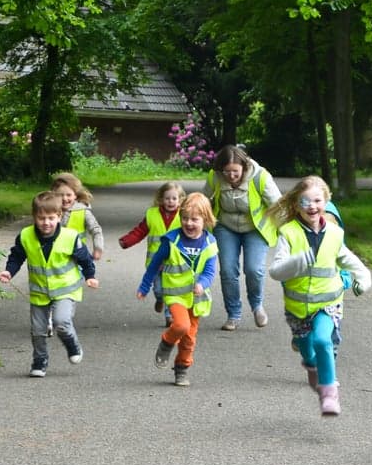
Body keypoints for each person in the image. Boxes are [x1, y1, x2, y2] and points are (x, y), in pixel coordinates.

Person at [267, 177, 371, 416]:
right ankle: (311, 364)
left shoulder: (334, 233)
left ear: (326, 201)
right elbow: (275, 271)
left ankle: (329, 393)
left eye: (317, 200)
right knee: (307, 348)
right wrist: (298, 261)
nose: (312, 206)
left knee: (324, 340)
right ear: (296, 204)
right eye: (306, 201)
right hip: (298, 308)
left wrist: (363, 278)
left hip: (328, 303)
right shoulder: (289, 233)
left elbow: (349, 260)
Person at [0, 191, 99, 377]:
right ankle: (39, 361)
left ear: (59, 216)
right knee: (37, 330)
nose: (46, 223)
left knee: (61, 322)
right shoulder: (26, 236)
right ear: (34, 217)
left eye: (51, 218)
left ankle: (71, 343)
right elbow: (16, 257)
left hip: (65, 290)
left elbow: (85, 259)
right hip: (39, 292)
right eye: (41, 218)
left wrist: (90, 276)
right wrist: (9, 272)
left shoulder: (70, 237)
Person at [136, 192, 218, 387]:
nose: (189, 223)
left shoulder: (210, 243)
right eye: (185, 218)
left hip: (197, 298)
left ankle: (181, 369)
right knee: (181, 326)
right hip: (175, 295)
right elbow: (155, 264)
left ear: (205, 220)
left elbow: (209, 271)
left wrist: (202, 284)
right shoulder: (171, 240)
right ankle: (166, 342)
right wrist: (145, 286)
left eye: (194, 219)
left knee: (189, 339)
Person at [203, 145, 281, 331]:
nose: (230, 176)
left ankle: (257, 306)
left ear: (244, 167)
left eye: (235, 172)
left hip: (255, 228)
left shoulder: (260, 177)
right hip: (225, 227)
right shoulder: (215, 177)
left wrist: (291, 230)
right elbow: (203, 200)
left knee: (253, 269)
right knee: (228, 272)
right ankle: (233, 314)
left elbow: (278, 205)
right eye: (226, 172)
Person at [119, 181, 184, 323]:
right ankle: (159, 300)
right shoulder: (152, 214)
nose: (171, 202)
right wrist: (127, 241)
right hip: (155, 261)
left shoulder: (184, 216)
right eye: (167, 198)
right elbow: (140, 231)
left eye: (174, 198)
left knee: (170, 289)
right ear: (161, 199)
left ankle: (170, 316)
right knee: (159, 290)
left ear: (181, 200)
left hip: (175, 262)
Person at [51, 171, 104, 261]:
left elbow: (96, 230)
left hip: (78, 257)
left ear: (75, 195)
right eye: (60, 195)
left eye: (69, 195)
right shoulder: (50, 211)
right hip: (56, 258)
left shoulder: (83, 211)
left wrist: (98, 248)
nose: (64, 198)